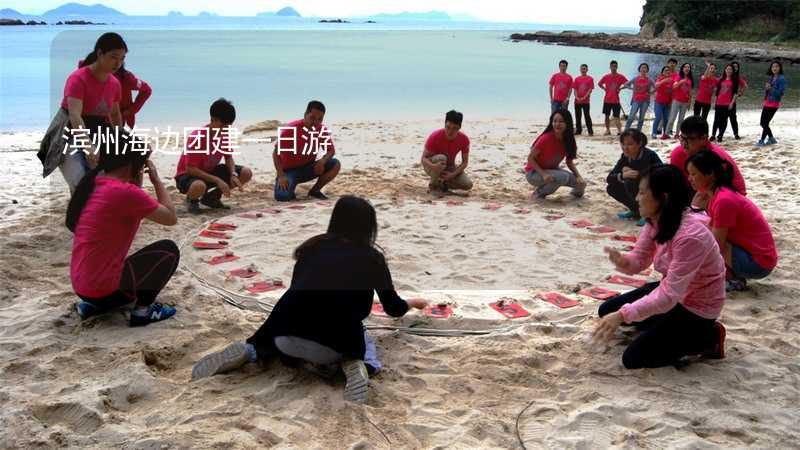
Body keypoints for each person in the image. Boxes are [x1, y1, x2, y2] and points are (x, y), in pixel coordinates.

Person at [191, 196, 429, 404]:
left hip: (282, 337)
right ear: (369, 227)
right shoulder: (373, 258)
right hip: (332, 346)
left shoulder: (311, 248)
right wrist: (413, 302)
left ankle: (250, 350)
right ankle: (359, 365)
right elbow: (393, 308)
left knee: (297, 315)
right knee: (363, 338)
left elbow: (298, 291)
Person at [593, 165, 726, 369]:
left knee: (633, 358)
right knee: (607, 310)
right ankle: (662, 327)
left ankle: (710, 337)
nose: (637, 198)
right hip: (673, 293)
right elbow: (640, 258)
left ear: (663, 197)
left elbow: (667, 297)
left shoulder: (691, 236)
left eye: (642, 192)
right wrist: (623, 261)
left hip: (697, 306)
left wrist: (623, 315)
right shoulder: (655, 220)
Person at [68, 126, 180, 327]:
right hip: (105, 291)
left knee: (116, 262)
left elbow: (129, 208)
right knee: (168, 250)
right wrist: (156, 181)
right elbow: (171, 217)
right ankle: (143, 311)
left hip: (82, 287)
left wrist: (136, 175)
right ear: (132, 163)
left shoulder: (94, 184)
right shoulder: (124, 193)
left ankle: (94, 306)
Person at [38, 32, 126, 194]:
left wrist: (119, 139)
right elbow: (75, 115)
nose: (118, 63)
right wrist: (87, 145)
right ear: (100, 53)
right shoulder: (78, 78)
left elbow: (114, 114)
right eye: (114, 57)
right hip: (68, 132)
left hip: (98, 132)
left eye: (122, 59)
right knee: (80, 181)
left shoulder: (114, 83)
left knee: (102, 181)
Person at [686, 151, 777, 292]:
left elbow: (716, 245)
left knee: (707, 240)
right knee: (703, 232)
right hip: (754, 254)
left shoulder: (724, 200)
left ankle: (731, 279)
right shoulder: (716, 194)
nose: (689, 179)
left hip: (758, 263)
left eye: (693, 174)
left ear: (710, 174)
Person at [174, 98, 253, 213]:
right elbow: (190, 169)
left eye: (228, 126)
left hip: (209, 171)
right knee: (199, 186)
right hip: (187, 175)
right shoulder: (198, 137)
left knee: (246, 173)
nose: (225, 129)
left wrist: (233, 174)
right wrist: (217, 180)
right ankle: (192, 200)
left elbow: (228, 157)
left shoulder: (224, 134)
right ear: (213, 119)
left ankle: (211, 198)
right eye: (223, 125)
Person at [669, 116, 746, 209]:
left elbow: (737, 191)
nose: (684, 144)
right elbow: (675, 185)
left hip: (727, 197)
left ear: (704, 138)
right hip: (698, 190)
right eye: (682, 138)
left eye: (689, 139)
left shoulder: (715, 157)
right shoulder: (678, 154)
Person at [274, 100, 341, 201]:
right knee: (282, 197)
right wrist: (281, 175)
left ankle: (315, 191)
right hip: (288, 171)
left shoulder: (321, 130)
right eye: (312, 118)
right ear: (305, 114)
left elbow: (331, 151)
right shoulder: (290, 130)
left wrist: (322, 161)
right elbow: (275, 154)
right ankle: (289, 186)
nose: (315, 122)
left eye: (320, 119)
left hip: (308, 168)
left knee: (335, 164)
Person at [524, 110, 586, 200]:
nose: (557, 124)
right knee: (563, 177)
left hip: (552, 170)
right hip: (534, 173)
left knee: (581, 185)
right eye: (554, 121)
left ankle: (573, 196)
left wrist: (578, 176)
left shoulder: (568, 140)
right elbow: (530, 158)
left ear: (567, 123)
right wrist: (544, 174)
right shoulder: (546, 138)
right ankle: (538, 194)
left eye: (561, 121)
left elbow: (569, 161)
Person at [606, 129, 662, 226]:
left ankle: (648, 214)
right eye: (623, 144)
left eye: (629, 144)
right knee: (611, 187)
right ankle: (635, 210)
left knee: (630, 182)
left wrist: (638, 174)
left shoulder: (649, 155)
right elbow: (609, 178)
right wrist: (623, 175)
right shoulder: (625, 157)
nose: (625, 148)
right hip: (637, 189)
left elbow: (661, 173)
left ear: (639, 143)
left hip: (653, 190)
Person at [421, 110, 473, 192]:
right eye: (448, 127)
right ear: (445, 124)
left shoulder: (464, 139)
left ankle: (443, 184)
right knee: (442, 158)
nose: (450, 131)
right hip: (433, 165)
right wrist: (433, 166)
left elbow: (464, 162)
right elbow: (423, 158)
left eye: (454, 128)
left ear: (459, 127)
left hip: (449, 167)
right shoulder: (435, 136)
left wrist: (452, 175)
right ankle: (434, 185)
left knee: (467, 184)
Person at [757, 61, 787, 147]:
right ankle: (771, 139)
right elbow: (769, 91)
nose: (774, 68)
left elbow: (780, 93)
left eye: (776, 66)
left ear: (780, 68)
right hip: (767, 102)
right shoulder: (771, 77)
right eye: (773, 66)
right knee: (763, 123)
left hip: (774, 103)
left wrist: (771, 88)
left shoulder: (782, 79)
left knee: (764, 123)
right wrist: (767, 89)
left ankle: (762, 140)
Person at [114, 64, 152, 129]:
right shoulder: (94, 78)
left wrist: (131, 110)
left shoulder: (126, 77)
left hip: (118, 120)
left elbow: (147, 90)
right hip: (96, 120)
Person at [598, 60, 628, 136]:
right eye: (612, 66)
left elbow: (628, 84)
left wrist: (621, 88)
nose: (614, 68)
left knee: (616, 117)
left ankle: (619, 131)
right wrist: (604, 89)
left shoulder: (620, 76)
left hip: (616, 101)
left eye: (615, 66)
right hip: (607, 100)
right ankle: (607, 130)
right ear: (610, 67)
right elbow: (599, 83)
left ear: (617, 67)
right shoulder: (606, 76)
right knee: (606, 116)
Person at [622, 63, 655, 131]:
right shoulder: (635, 78)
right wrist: (631, 88)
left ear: (647, 70)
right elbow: (626, 84)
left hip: (645, 101)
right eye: (642, 67)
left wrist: (651, 93)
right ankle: (626, 131)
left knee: (641, 118)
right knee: (631, 117)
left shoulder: (649, 79)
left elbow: (656, 86)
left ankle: (638, 132)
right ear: (639, 69)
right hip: (636, 100)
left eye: (645, 68)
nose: (643, 69)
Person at [710, 64, 738, 142]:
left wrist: (732, 103)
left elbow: (735, 93)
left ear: (732, 71)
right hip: (719, 103)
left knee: (724, 120)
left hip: (727, 104)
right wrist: (714, 102)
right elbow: (717, 93)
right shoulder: (721, 80)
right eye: (727, 69)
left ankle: (720, 135)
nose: (728, 70)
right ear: (725, 70)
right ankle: (713, 135)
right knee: (716, 120)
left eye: (730, 69)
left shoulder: (734, 81)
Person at [666, 63, 693, 139]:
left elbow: (690, 92)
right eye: (685, 67)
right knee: (672, 118)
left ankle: (677, 134)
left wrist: (689, 102)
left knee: (681, 119)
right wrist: (681, 81)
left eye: (688, 67)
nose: (687, 68)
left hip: (685, 102)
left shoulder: (690, 80)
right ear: (682, 68)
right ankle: (666, 133)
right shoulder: (678, 77)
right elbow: (674, 87)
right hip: (676, 100)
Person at [725, 61, 747, 140]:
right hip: (724, 101)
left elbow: (744, 85)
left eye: (736, 67)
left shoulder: (737, 78)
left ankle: (736, 134)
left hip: (732, 101)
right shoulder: (727, 76)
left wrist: (740, 94)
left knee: (733, 118)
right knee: (723, 118)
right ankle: (720, 134)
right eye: (733, 66)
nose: (735, 68)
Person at [652, 66, 674, 139]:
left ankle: (665, 133)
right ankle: (654, 133)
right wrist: (664, 81)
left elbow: (672, 92)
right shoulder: (660, 79)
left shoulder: (672, 80)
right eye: (665, 70)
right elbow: (656, 85)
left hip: (667, 103)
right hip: (659, 102)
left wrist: (671, 102)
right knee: (658, 117)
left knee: (666, 119)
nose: (667, 72)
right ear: (662, 72)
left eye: (668, 71)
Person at [573, 64, 595, 136]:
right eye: (582, 69)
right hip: (577, 101)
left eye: (584, 69)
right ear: (580, 70)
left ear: (587, 70)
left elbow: (590, 89)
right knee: (578, 116)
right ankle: (578, 130)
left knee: (587, 116)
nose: (583, 70)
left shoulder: (590, 78)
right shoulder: (577, 79)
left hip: (586, 101)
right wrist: (576, 97)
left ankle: (590, 131)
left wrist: (584, 97)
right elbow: (575, 89)